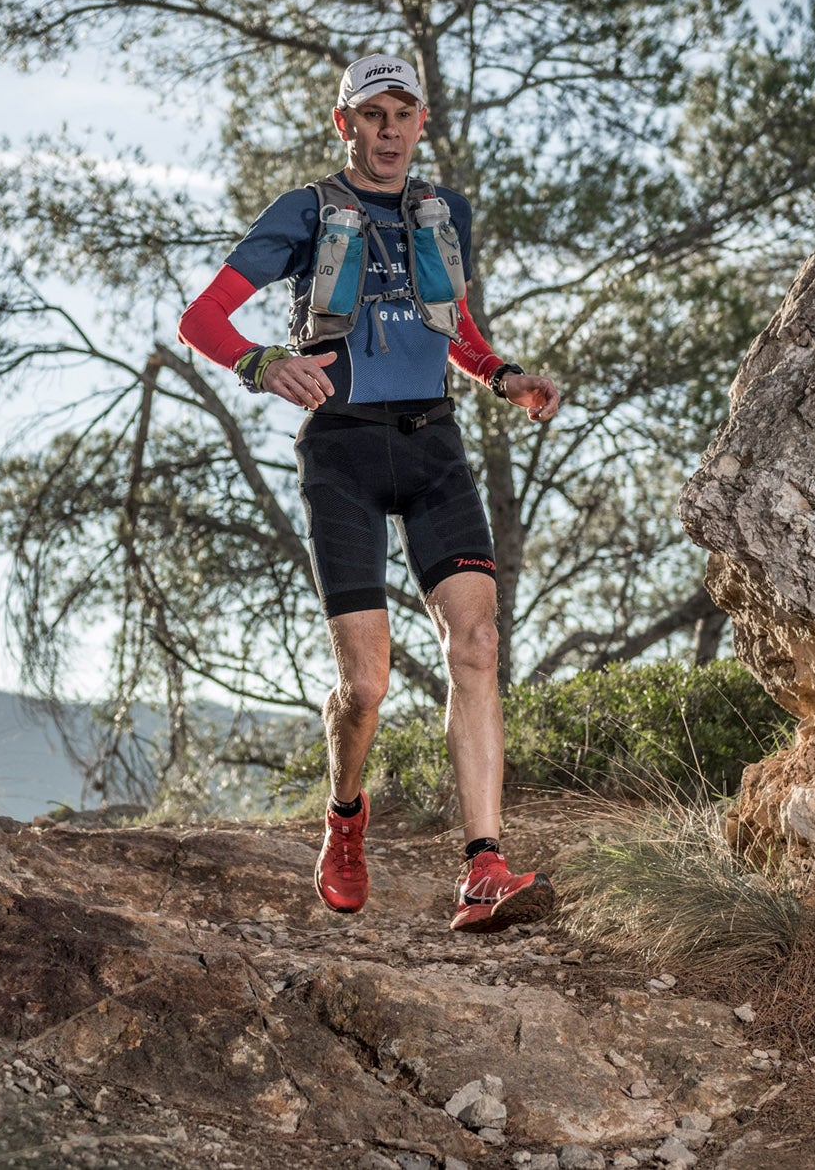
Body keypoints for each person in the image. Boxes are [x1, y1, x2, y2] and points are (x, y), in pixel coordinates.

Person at [177, 53, 562, 933]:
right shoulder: (305, 212)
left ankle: (483, 865)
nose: (389, 130)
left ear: (422, 122)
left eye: (404, 113)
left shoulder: (443, 212)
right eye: (373, 114)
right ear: (343, 122)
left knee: (477, 642)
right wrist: (261, 363)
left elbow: (453, 327)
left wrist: (500, 376)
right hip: (343, 451)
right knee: (368, 684)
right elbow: (201, 318)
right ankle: (345, 818)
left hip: (432, 444)